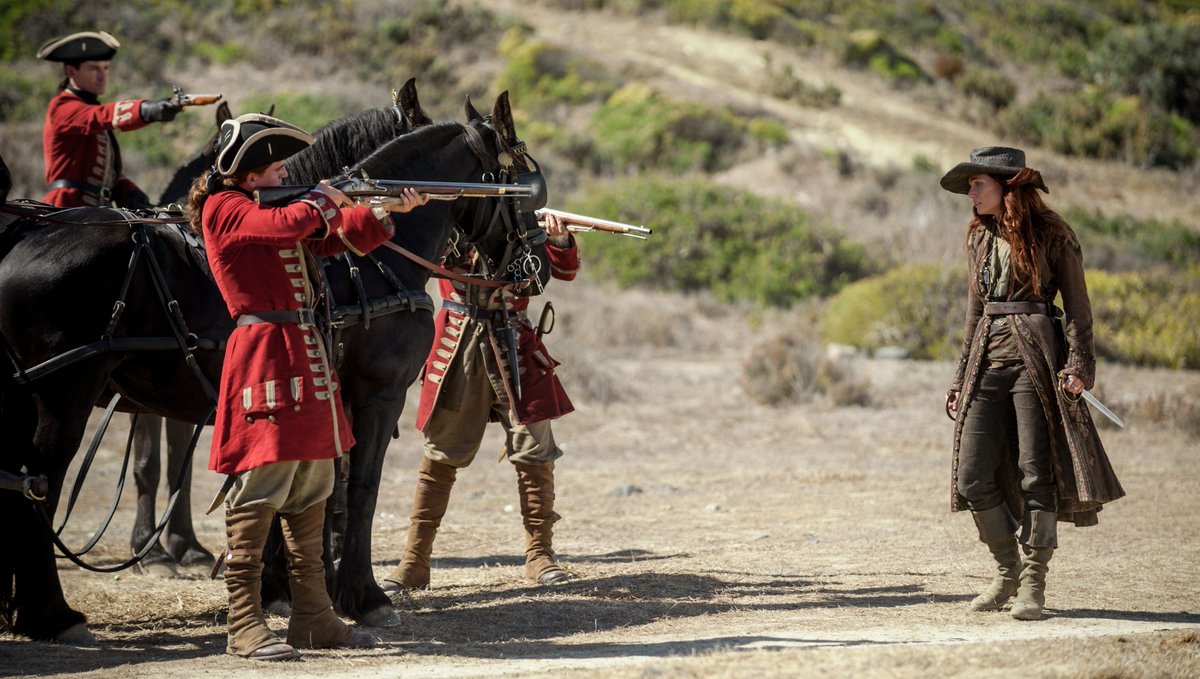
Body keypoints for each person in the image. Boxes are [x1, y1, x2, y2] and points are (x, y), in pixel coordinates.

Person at [186, 113, 428, 660]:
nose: (282, 174)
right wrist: (330, 194)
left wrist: (384, 209)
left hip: (306, 359)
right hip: (265, 360)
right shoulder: (226, 208)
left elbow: (333, 241)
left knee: (312, 489)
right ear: (247, 173)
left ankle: (314, 616)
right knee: (262, 491)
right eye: (274, 167)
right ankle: (243, 623)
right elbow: (287, 225)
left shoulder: (271, 210)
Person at [941, 147, 1124, 621]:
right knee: (972, 476)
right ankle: (1006, 574)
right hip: (987, 357)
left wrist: (1079, 366)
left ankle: (1033, 585)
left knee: (1036, 472)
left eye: (977, 183)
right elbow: (974, 312)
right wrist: (961, 376)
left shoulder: (1053, 234)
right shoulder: (977, 237)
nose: (970, 193)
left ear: (1008, 186)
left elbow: (1079, 311)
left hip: (1037, 358)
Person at [381, 213, 580, 592]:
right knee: (440, 455)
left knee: (534, 451)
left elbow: (562, 272)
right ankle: (414, 561)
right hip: (457, 343)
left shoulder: (524, 215)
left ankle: (540, 555)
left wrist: (558, 241)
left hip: (515, 344)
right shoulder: (449, 213)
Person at [37, 30, 182, 209]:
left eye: (106, 68)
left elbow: (102, 170)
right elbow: (99, 116)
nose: (102, 76)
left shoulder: (88, 106)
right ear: (71, 71)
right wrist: (145, 110)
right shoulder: (61, 106)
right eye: (94, 68)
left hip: (98, 211)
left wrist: (126, 190)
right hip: (64, 209)